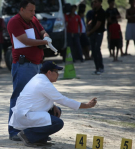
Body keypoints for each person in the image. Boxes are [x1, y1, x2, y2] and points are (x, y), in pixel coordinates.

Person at [9, 61, 97, 147]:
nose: (58, 75)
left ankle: (39, 138)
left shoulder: (38, 78)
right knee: (58, 123)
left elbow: (42, 98)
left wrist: (53, 105)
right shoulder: (43, 83)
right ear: (49, 72)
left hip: (26, 113)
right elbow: (63, 100)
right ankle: (27, 135)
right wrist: (87, 105)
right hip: (26, 116)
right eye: (56, 72)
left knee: (56, 110)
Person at [7, 0, 51, 141]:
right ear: (21, 9)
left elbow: (42, 30)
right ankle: (14, 131)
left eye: (34, 10)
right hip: (23, 66)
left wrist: (46, 36)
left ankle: (32, 133)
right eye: (31, 11)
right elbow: (25, 40)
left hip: (36, 65)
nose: (33, 13)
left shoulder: (33, 20)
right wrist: (44, 42)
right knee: (19, 98)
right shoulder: (14, 22)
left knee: (35, 99)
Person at [87, 0, 105, 75]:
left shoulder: (101, 12)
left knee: (97, 49)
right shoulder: (93, 12)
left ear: (100, 2)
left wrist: (90, 32)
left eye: (96, 2)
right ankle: (97, 67)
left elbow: (98, 24)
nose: (94, 3)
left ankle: (101, 67)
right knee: (93, 50)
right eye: (94, 2)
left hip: (98, 33)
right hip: (93, 34)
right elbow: (92, 21)